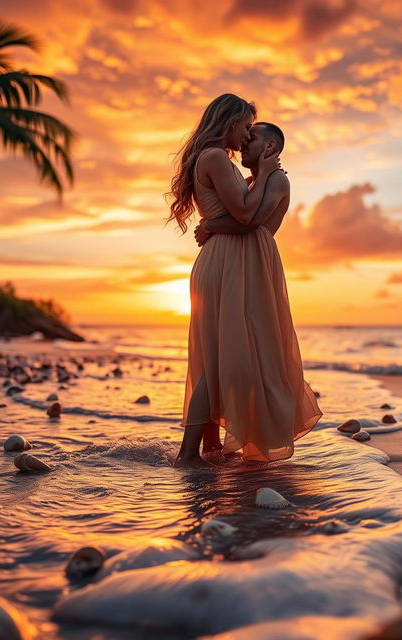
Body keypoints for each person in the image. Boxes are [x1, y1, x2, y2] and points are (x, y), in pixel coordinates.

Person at [167, 94, 321, 468]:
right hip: (231, 263)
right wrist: (261, 178)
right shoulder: (218, 158)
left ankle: (209, 448)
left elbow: (241, 216)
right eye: (246, 126)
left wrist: (213, 224)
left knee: (220, 358)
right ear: (231, 121)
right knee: (222, 360)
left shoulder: (232, 165)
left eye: (253, 131)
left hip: (232, 260)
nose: (247, 135)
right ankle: (189, 453)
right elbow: (246, 215)